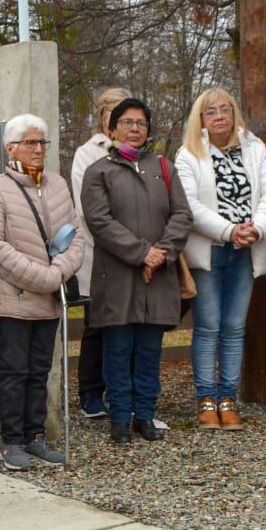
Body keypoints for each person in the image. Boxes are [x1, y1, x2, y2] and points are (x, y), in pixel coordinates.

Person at [0, 114, 85, 470]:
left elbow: (76, 238)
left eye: (43, 143)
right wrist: (44, 276)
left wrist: (59, 272)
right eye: (31, 143)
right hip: (14, 298)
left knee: (41, 369)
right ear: (11, 148)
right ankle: (10, 442)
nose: (39, 150)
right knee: (14, 371)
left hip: (50, 297)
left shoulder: (57, 185)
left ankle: (35, 435)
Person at [81, 98, 192, 444]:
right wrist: (142, 253)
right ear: (111, 129)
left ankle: (144, 415)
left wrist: (161, 255)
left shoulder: (164, 167)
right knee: (117, 350)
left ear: (148, 130)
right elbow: (99, 221)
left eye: (140, 123)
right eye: (126, 122)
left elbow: (182, 215)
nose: (134, 129)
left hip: (158, 277)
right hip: (117, 277)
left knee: (149, 351)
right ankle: (118, 419)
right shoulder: (99, 171)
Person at [175, 87, 266, 432]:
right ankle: (205, 399)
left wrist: (258, 228)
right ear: (201, 119)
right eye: (211, 112)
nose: (220, 116)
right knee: (208, 327)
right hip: (209, 250)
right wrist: (228, 231)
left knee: (235, 327)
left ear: (235, 114)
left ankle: (228, 399)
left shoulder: (254, 147)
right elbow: (190, 206)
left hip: (246, 249)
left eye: (226, 109)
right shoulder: (188, 154)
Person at [71, 87, 130, 421]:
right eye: (114, 111)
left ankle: (121, 390)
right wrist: (121, 237)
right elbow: (86, 207)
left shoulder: (139, 151)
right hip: (100, 252)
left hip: (134, 253)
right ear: (103, 116)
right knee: (97, 324)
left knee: (129, 324)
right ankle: (91, 392)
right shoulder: (87, 153)